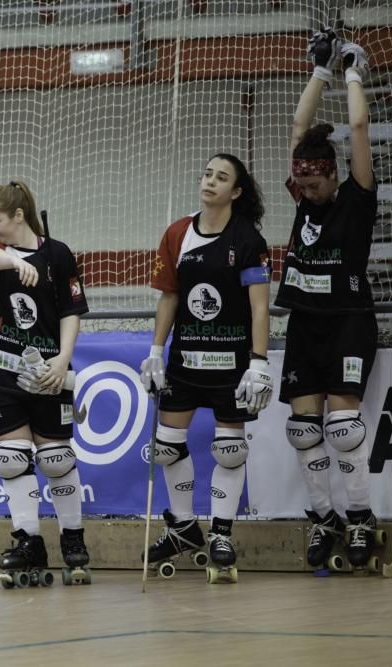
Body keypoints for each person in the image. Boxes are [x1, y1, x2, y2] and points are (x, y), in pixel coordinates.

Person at [140, 154, 272, 582]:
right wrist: (156, 351)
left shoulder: (248, 240)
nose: (210, 181)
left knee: (230, 450)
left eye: (221, 177)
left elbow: (258, 308)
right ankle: (182, 529)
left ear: (236, 192)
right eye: (207, 174)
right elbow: (170, 297)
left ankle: (221, 534)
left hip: (231, 365)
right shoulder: (178, 232)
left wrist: (258, 362)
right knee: (166, 446)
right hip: (184, 362)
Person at [277, 31, 379, 571]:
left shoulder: (356, 200)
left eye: (315, 185)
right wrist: (319, 71)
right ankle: (323, 517)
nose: (306, 193)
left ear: (334, 176)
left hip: (348, 323)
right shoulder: (303, 193)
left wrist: (351, 69)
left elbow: (358, 126)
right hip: (305, 324)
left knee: (341, 428)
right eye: (302, 185)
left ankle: (361, 516)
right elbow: (299, 130)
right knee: (302, 430)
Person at [0, 180, 91, 588]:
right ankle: (29, 541)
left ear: (19, 216)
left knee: (56, 459)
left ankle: (73, 540)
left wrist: (62, 359)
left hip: (47, 370)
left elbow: (72, 311)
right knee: (11, 459)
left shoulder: (57, 254)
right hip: (1, 372)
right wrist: (13, 262)